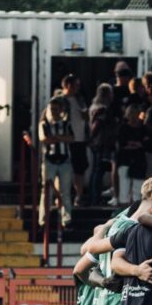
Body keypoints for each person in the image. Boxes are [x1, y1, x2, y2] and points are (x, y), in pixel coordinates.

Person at [38, 97, 74, 226]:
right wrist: (61, 138)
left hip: (64, 161)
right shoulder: (44, 124)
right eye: (51, 109)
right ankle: (43, 220)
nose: (53, 111)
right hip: (49, 161)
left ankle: (66, 219)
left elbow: (71, 138)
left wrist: (56, 138)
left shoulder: (66, 124)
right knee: (47, 191)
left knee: (65, 191)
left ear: (61, 110)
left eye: (56, 109)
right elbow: (45, 140)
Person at [60, 74, 90, 206]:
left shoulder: (80, 99)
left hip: (80, 139)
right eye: (75, 85)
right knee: (65, 169)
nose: (78, 88)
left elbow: (86, 117)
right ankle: (62, 196)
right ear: (68, 85)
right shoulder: (60, 100)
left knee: (80, 169)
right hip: (66, 140)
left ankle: (78, 195)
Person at [88, 83, 118, 206]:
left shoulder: (94, 106)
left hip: (97, 142)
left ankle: (94, 197)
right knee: (98, 171)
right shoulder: (102, 109)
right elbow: (96, 126)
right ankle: (95, 198)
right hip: (101, 142)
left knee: (96, 170)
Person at [114, 104, 146, 206]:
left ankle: (137, 210)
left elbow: (145, 143)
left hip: (139, 161)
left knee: (138, 187)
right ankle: (124, 210)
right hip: (125, 159)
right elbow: (122, 144)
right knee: (124, 186)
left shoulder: (143, 128)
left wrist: (135, 144)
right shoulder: (123, 128)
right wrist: (135, 144)